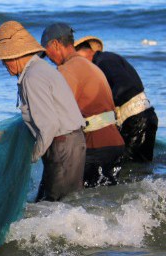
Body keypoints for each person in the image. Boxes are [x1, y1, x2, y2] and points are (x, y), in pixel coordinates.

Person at [0, 21, 86, 202]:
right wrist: (8, 136)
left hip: (62, 145)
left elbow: (49, 125)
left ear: (14, 56)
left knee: (57, 207)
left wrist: (30, 156)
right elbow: (38, 119)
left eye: (4, 59)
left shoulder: (32, 77)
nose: (3, 64)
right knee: (58, 204)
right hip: (68, 143)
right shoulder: (39, 69)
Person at [41, 23, 125, 187]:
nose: (49, 59)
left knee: (77, 202)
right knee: (105, 202)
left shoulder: (67, 69)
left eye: (47, 52)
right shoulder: (90, 66)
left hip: (97, 146)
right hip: (115, 143)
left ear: (56, 45)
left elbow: (57, 112)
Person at [74, 36, 158, 162]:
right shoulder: (107, 59)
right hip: (142, 117)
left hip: (137, 121)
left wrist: (105, 106)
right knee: (139, 166)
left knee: (130, 166)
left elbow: (125, 85)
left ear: (85, 52)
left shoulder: (103, 61)